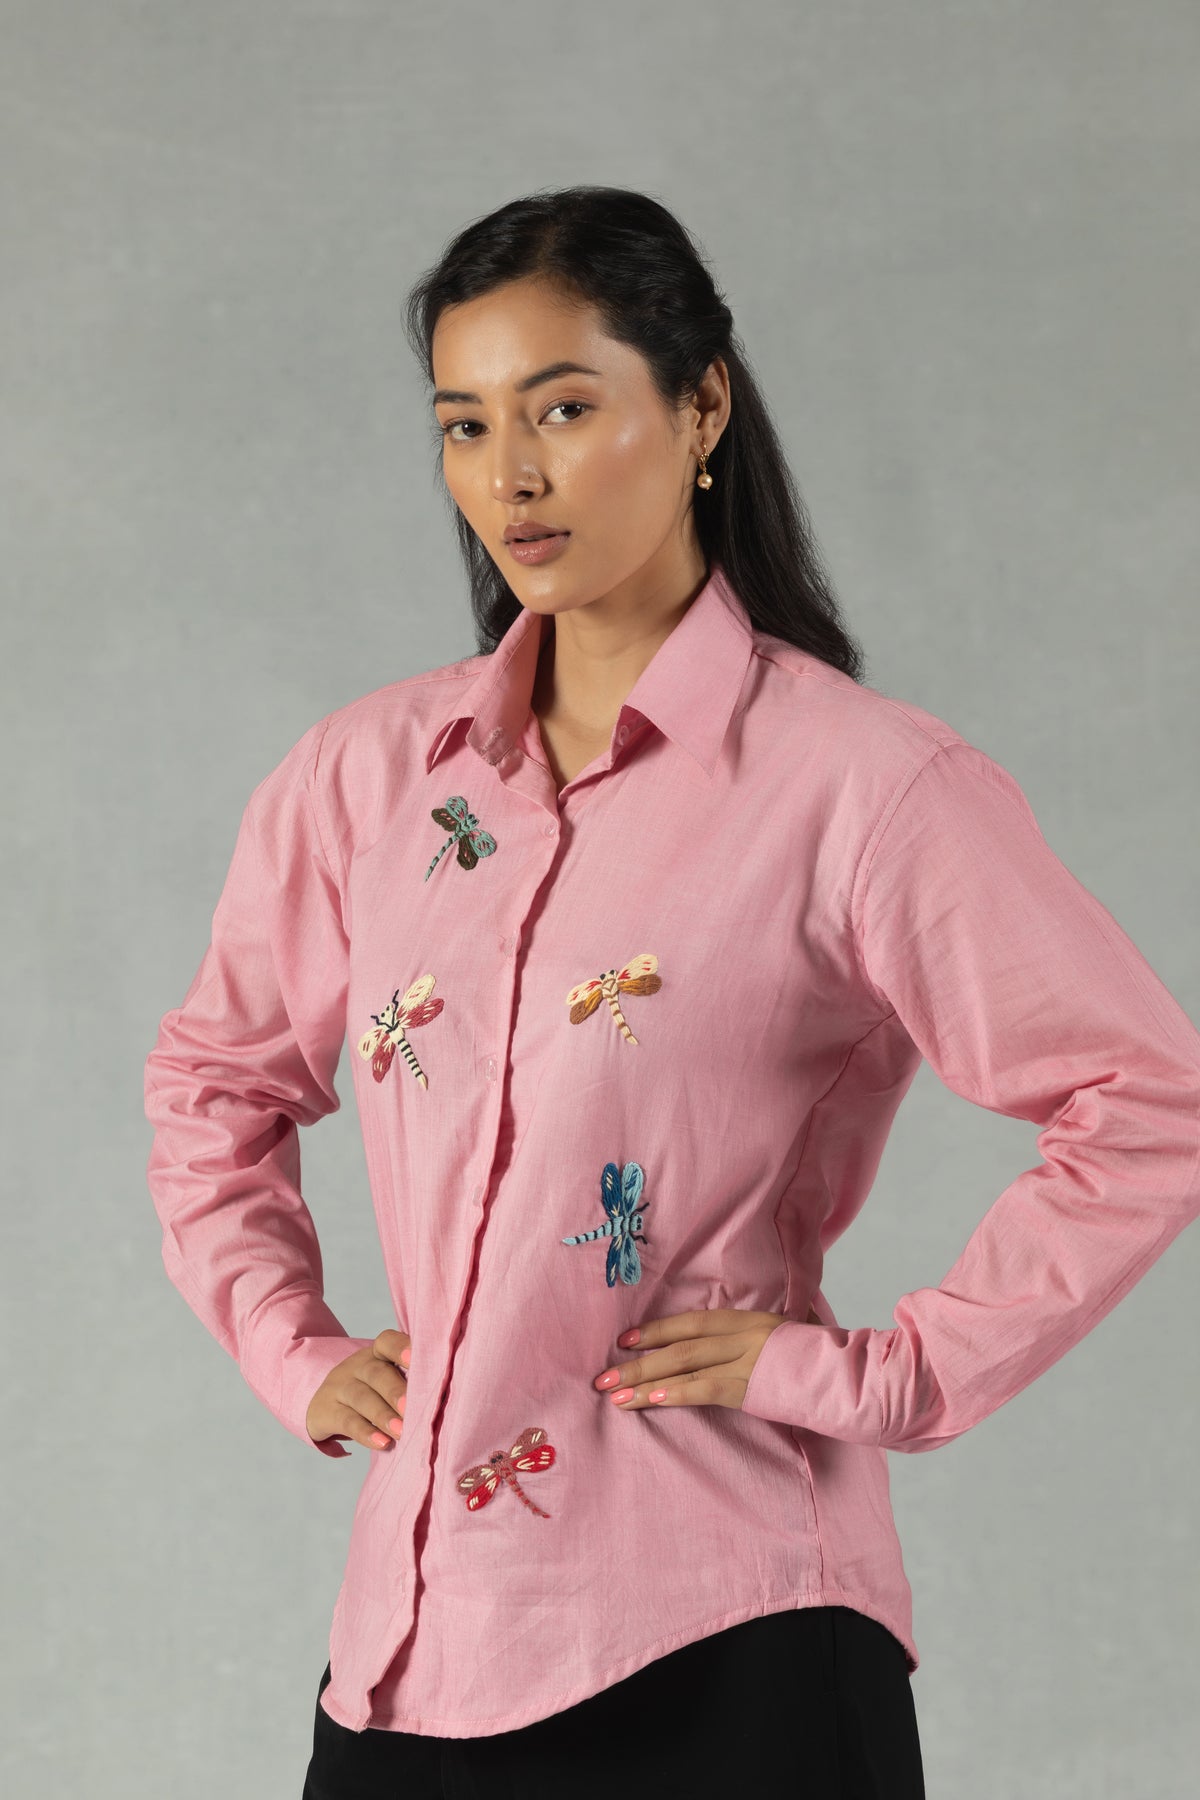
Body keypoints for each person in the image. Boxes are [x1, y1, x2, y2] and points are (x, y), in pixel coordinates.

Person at [143, 186, 1200, 1800]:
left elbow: (1145, 1103)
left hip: (732, 1642)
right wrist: (293, 1346)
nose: (511, 474)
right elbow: (213, 1083)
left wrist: (883, 1376)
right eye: (466, 424)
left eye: (564, 409)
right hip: (412, 1648)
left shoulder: (860, 787)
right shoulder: (370, 781)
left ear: (701, 406)